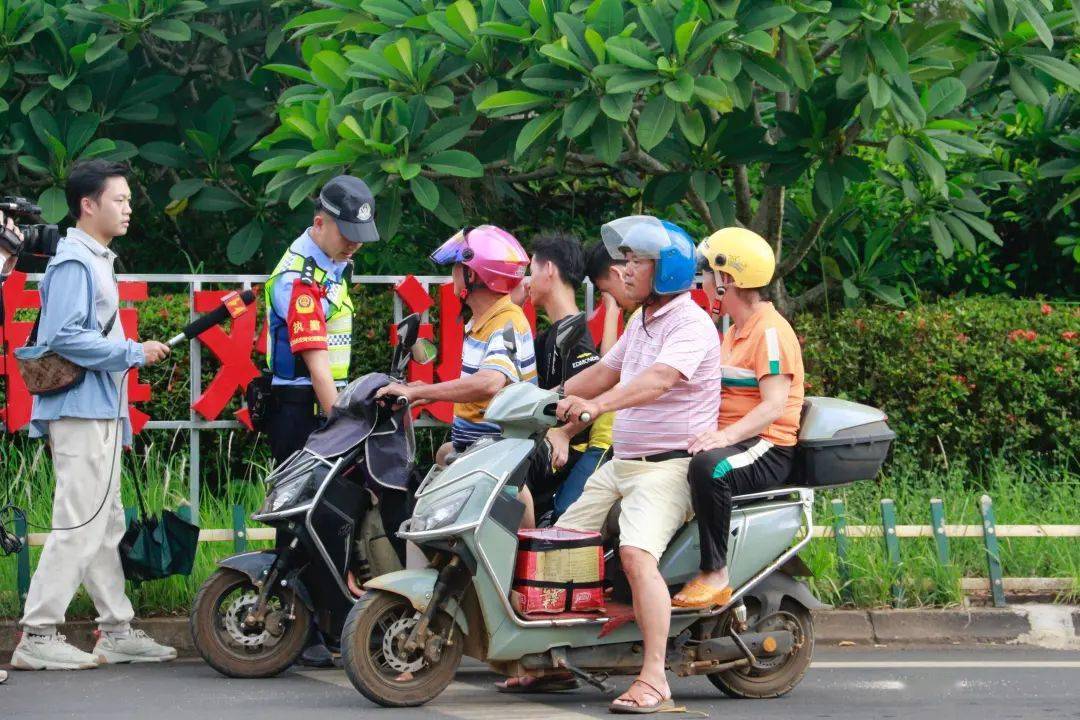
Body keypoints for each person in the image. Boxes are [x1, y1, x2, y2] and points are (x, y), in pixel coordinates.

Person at [10, 160, 175, 671]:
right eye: (119, 199)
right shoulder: (74, 263)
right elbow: (62, 335)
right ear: (88, 204)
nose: (128, 208)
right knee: (78, 521)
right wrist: (131, 351)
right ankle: (37, 634)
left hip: (98, 408)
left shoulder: (97, 258)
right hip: (79, 411)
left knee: (105, 522)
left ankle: (116, 629)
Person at [553, 216, 722, 713]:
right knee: (559, 545)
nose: (624, 271)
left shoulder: (691, 325)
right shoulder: (640, 320)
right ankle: (550, 657)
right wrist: (542, 398)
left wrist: (597, 407)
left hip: (667, 469)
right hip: (623, 462)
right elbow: (605, 372)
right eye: (625, 261)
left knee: (635, 555)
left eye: (636, 262)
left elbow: (659, 381)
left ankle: (654, 677)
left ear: (665, 270)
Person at [263, 174, 378, 667]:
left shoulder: (333, 264)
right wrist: (341, 420)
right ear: (319, 223)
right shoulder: (299, 279)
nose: (355, 244)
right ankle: (299, 628)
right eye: (347, 233)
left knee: (328, 514)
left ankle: (329, 625)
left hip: (321, 406)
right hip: (302, 410)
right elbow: (313, 359)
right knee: (299, 519)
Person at [672, 228, 804, 609]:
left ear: (727, 279)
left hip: (769, 445)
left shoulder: (771, 332)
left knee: (711, 467)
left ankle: (716, 573)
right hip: (742, 439)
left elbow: (773, 406)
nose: (704, 282)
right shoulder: (734, 333)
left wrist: (721, 437)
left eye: (709, 273)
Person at [376, 225, 535, 466]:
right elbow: (476, 391)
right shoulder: (484, 320)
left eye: (457, 267)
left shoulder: (506, 322)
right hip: (476, 450)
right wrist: (428, 392)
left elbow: (489, 382)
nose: (453, 274)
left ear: (471, 276)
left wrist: (417, 392)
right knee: (442, 456)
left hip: (495, 459)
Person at [521, 233, 614, 526]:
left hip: (570, 452)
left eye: (531, 271)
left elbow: (597, 390)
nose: (527, 281)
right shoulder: (551, 334)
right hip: (545, 442)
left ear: (549, 269)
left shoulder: (574, 333)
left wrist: (566, 433)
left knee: (510, 482)